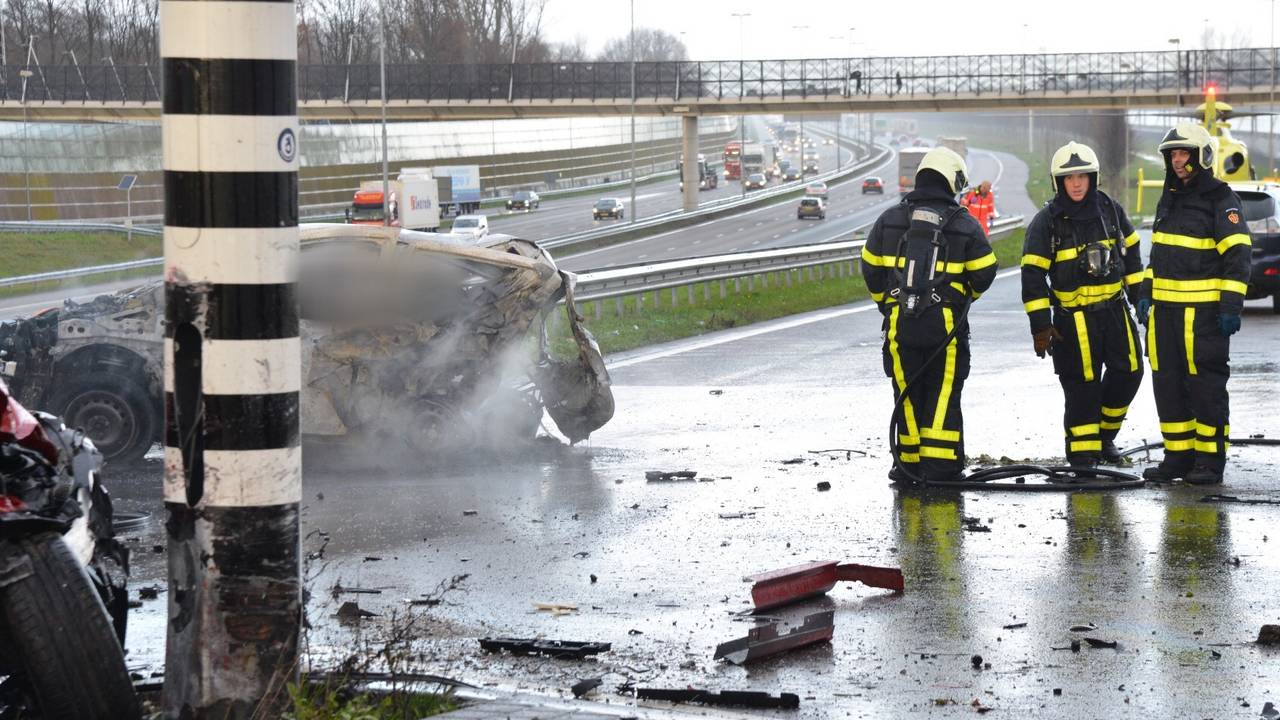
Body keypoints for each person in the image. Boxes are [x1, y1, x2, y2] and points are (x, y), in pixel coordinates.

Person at [861, 147, 999, 483]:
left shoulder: (889, 219)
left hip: (899, 326)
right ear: (952, 181)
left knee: (906, 391)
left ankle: (906, 466)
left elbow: (870, 267)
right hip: (946, 330)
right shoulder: (964, 222)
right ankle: (940, 468)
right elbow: (985, 271)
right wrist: (961, 300)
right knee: (943, 393)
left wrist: (888, 302)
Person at [1137, 122, 1252, 485]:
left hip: (1203, 317)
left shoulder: (1220, 199)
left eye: (1184, 153)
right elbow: (1157, 254)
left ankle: (1209, 460)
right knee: (1167, 386)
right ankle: (1179, 456)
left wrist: (1230, 306)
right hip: (1166, 315)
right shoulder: (1168, 197)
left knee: (1206, 388)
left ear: (1201, 156)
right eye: (1172, 154)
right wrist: (1145, 292)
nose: (1177, 160)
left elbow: (1238, 255)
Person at [1021, 141, 1144, 467]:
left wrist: (1141, 298)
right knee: (1081, 390)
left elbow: (1131, 257)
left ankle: (1104, 437)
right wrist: (1041, 325)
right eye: (1069, 177)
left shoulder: (1111, 211)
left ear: (1093, 178)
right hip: (1073, 323)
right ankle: (1083, 457)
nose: (1076, 183)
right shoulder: (1046, 222)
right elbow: (1032, 276)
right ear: (1058, 182)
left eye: (1082, 176)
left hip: (1115, 313)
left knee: (1130, 373)